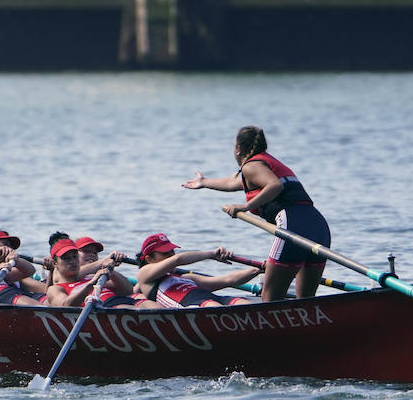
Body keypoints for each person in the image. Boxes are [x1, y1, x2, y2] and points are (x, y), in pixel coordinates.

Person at [183, 125, 331, 301]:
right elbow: (232, 183)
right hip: (319, 227)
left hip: (293, 227)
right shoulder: (265, 164)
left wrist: (245, 207)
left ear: (238, 149)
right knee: (306, 300)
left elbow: (275, 185)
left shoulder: (251, 167)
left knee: (270, 298)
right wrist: (205, 182)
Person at [132, 233, 260, 307]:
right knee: (214, 306)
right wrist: (211, 254)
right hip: (197, 307)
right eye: (165, 253)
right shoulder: (144, 275)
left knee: (246, 304)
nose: (171, 255)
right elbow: (177, 259)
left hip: (216, 300)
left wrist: (258, 269)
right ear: (149, 259)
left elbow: (228, 280)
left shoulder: (188, 278)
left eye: (172, 251)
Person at [43, 239, 162, 309]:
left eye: (74, 256)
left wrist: (111, 271)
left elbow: (128, 291)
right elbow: (65, 305)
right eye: (66, 258)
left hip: (123, 301)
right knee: (128, 308)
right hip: (106, 308)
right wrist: (91, 283)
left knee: (154, 307)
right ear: (54, 263)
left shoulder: (90, 276)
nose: (73, 261)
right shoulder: (55, 289)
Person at [0, 230, 47, 294]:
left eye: (11, 246)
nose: (10, 249)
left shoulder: (13, 273)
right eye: (6, 244)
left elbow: (46, 290)